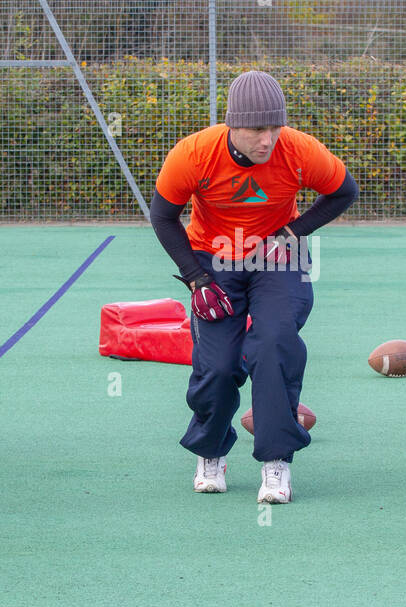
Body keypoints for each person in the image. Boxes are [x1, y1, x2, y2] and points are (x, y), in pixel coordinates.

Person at [150, 71, 358, 503]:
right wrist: (195, 278)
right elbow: (163, 217)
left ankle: (276, 462)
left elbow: (343, 192)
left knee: (275, 342)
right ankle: (210, 451)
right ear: (232, 126)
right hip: (213, 257)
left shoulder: (299, 150)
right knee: (219, 366)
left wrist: (294, 232)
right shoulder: (193, 154)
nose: (268, 139)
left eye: (275, 127)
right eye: (257, 130)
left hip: (278, 258)